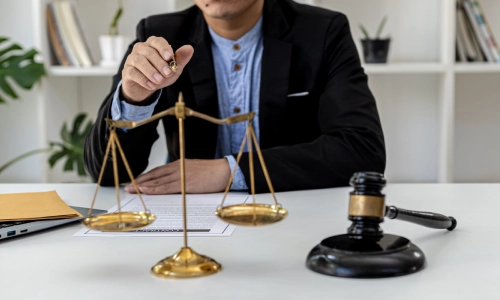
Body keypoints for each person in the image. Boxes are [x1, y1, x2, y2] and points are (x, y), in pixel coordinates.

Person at [84, 0, 386, 195]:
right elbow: (107, 173)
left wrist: (228, 171)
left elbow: (362, 150)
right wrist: (134, 98)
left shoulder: (322, 32)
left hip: (292, 211)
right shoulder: (160, 34)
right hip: (189, 220)